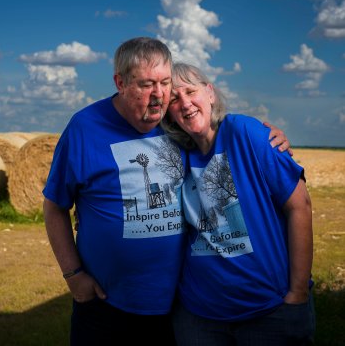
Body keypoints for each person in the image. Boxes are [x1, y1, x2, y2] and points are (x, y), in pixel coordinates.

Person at [42, 37, 290, 346]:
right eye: (146, 84)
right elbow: (54, 206)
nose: (159, 95)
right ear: (120, 82)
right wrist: (73, 275)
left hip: (176, 303)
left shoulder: (176, 125)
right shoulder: (84, 128)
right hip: (105, 303)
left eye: (165, 83)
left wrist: (269, 137)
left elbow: (214, 126)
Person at [161, 62, 315, 345]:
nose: (184, 103)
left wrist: (298, 294)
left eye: (190, 91)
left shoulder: (246, 133)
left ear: (210, 94)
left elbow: (300, 206)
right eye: (173, 98)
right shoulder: (175, 154)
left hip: (268, 311)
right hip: (199, 316)